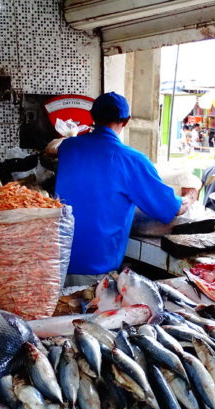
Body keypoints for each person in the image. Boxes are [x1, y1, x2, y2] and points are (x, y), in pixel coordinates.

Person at [55, 92, 194, 286]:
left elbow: (56, 150)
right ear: (126, 120)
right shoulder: (132, 160)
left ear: (92, 117)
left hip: (56, 260)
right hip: (94, 269)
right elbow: (170, 209)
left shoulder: (68, 147)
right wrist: (191, 194)